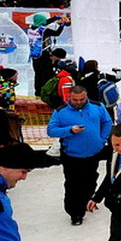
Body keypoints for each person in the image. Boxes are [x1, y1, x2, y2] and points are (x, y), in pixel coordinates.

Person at [47, 86, 112, 225]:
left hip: (93, 153)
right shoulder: (60, 111)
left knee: (90, 181)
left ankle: (86, 202)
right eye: (75, 100)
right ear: (69, 97)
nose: (78, 102)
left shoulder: (98, 106)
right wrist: (69, 130)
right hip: (71, 155)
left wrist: (102, 139)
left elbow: (107, 122)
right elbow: (51, 130)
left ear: (86, 96)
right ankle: (75, 213)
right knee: (73, 185)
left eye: (82, 99)